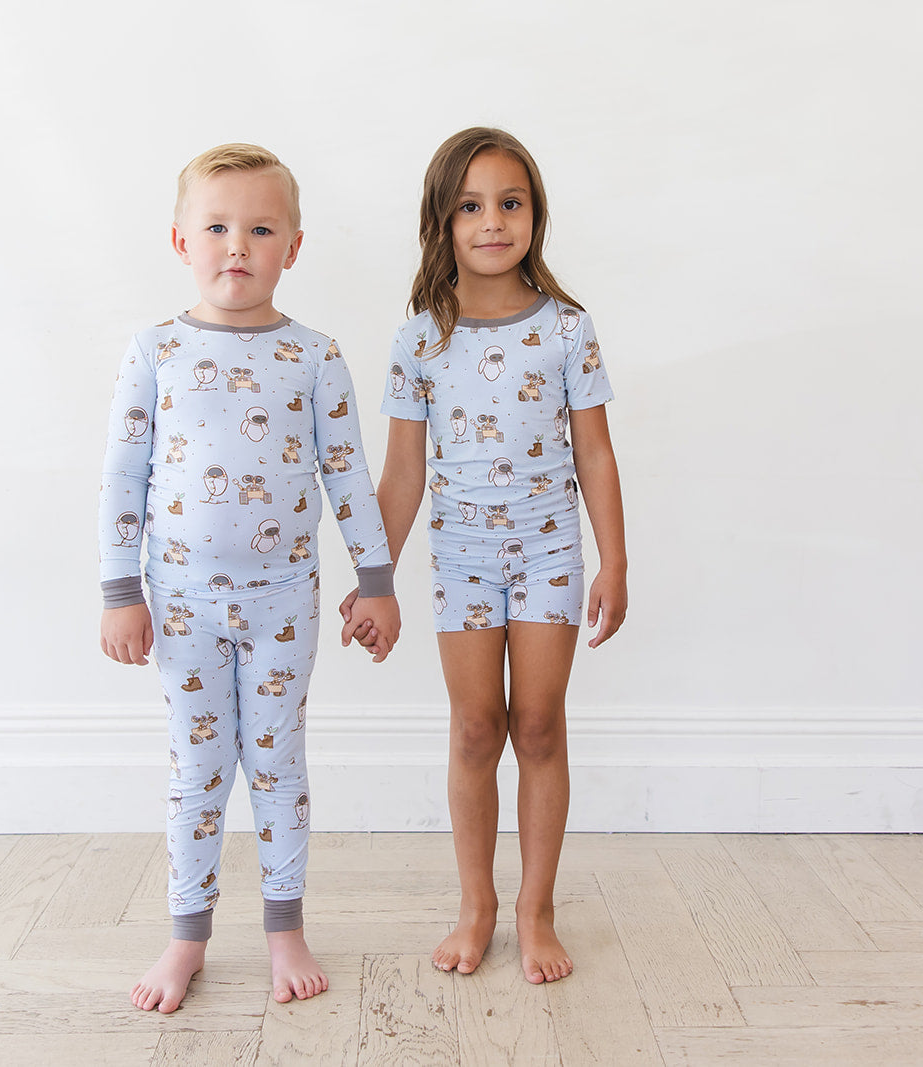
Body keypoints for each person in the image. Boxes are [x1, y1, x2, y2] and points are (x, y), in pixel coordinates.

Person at [98, 143, 401, 1014]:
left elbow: (348, 474)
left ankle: (284, 929)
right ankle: (186, 936)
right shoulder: (155, 350)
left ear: (293, 248)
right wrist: (120, 592)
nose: (238, 245)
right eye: (218, 227)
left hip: (283, 603)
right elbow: (123, 476)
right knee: (198, 766)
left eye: (261, 229)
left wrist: (377, 580)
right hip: (180, 603)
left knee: (277, 761)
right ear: (180, 241)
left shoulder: (314, 355)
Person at [349, 127, 627, 984]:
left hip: (550, 552)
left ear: (536, 214)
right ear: (443, 221)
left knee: (538, 723)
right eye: (471, 206)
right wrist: (373, 577)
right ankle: (477, 905)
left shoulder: (568, 329)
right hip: (463, 557)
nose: (493, 222)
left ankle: (537, 910)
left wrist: (613, 561)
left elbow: (595, 454)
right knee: (476, 728)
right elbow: (402, 474)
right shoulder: (420, 341)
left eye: (511, 203)